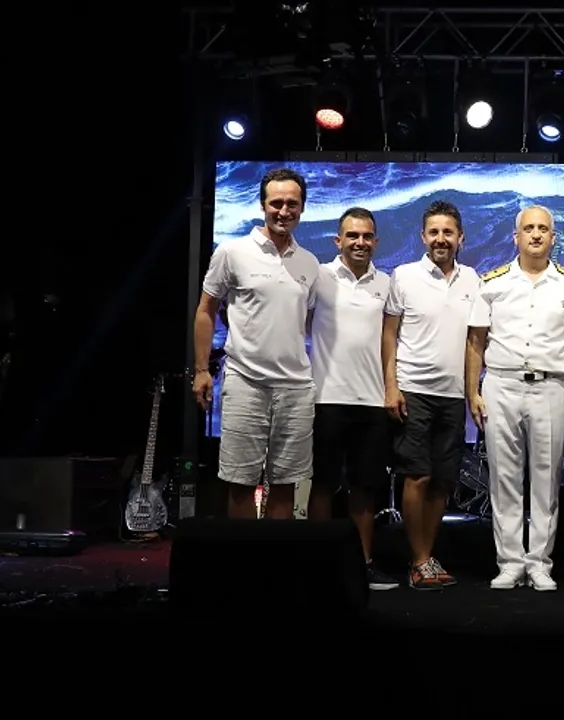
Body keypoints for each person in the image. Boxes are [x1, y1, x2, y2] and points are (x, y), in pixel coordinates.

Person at [466, 205, 564, 591]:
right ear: (516, 236)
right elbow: (475, 341)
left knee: (546, 478)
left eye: (542, 229)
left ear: (553, 237)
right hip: (501, 386)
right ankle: (509, 563)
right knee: (503, 478)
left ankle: (539, 563)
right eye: (528, 228)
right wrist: (472, 391)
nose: (535, 234)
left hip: (552, 388)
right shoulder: (492, 283)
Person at [192, 167, 321, 520]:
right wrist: (202, 370)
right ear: (262, 205)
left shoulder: (310, 263)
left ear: (303, 207)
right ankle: (246, 556)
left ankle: (275, 555)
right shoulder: (232, 252)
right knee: (240, 483)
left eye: (292, 204)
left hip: (296, 388)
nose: (284, 211)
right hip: (245, 383)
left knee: (285, 484)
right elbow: (206, 310)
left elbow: (305, 323)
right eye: (276, 203)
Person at [382, 200, 481, 591]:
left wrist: (472, 392)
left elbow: (475, 341)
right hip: (413, 391)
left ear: (460, 238)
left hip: (453, 395)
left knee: (442, 481)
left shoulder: (473, 279)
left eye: (448, 232)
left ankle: (426, 555)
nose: (441, 239)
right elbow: (389, 335)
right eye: (434, 232)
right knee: (418, 476)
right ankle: (420, 560)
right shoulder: (404, 276)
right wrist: (391, 386)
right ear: (423, 237)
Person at [307, 206, 400, 590]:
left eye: (366, 236)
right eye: (352, 236)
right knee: (322, 485)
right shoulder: (320, 277)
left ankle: (363, 564)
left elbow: (389, 342)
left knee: (365, 488)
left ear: (375, 241)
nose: (360, 242)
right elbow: (297, 325)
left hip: (372, 401)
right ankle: (318, 565)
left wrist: (391, 388)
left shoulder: (387, 283)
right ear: (338, 240)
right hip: (325, 397)